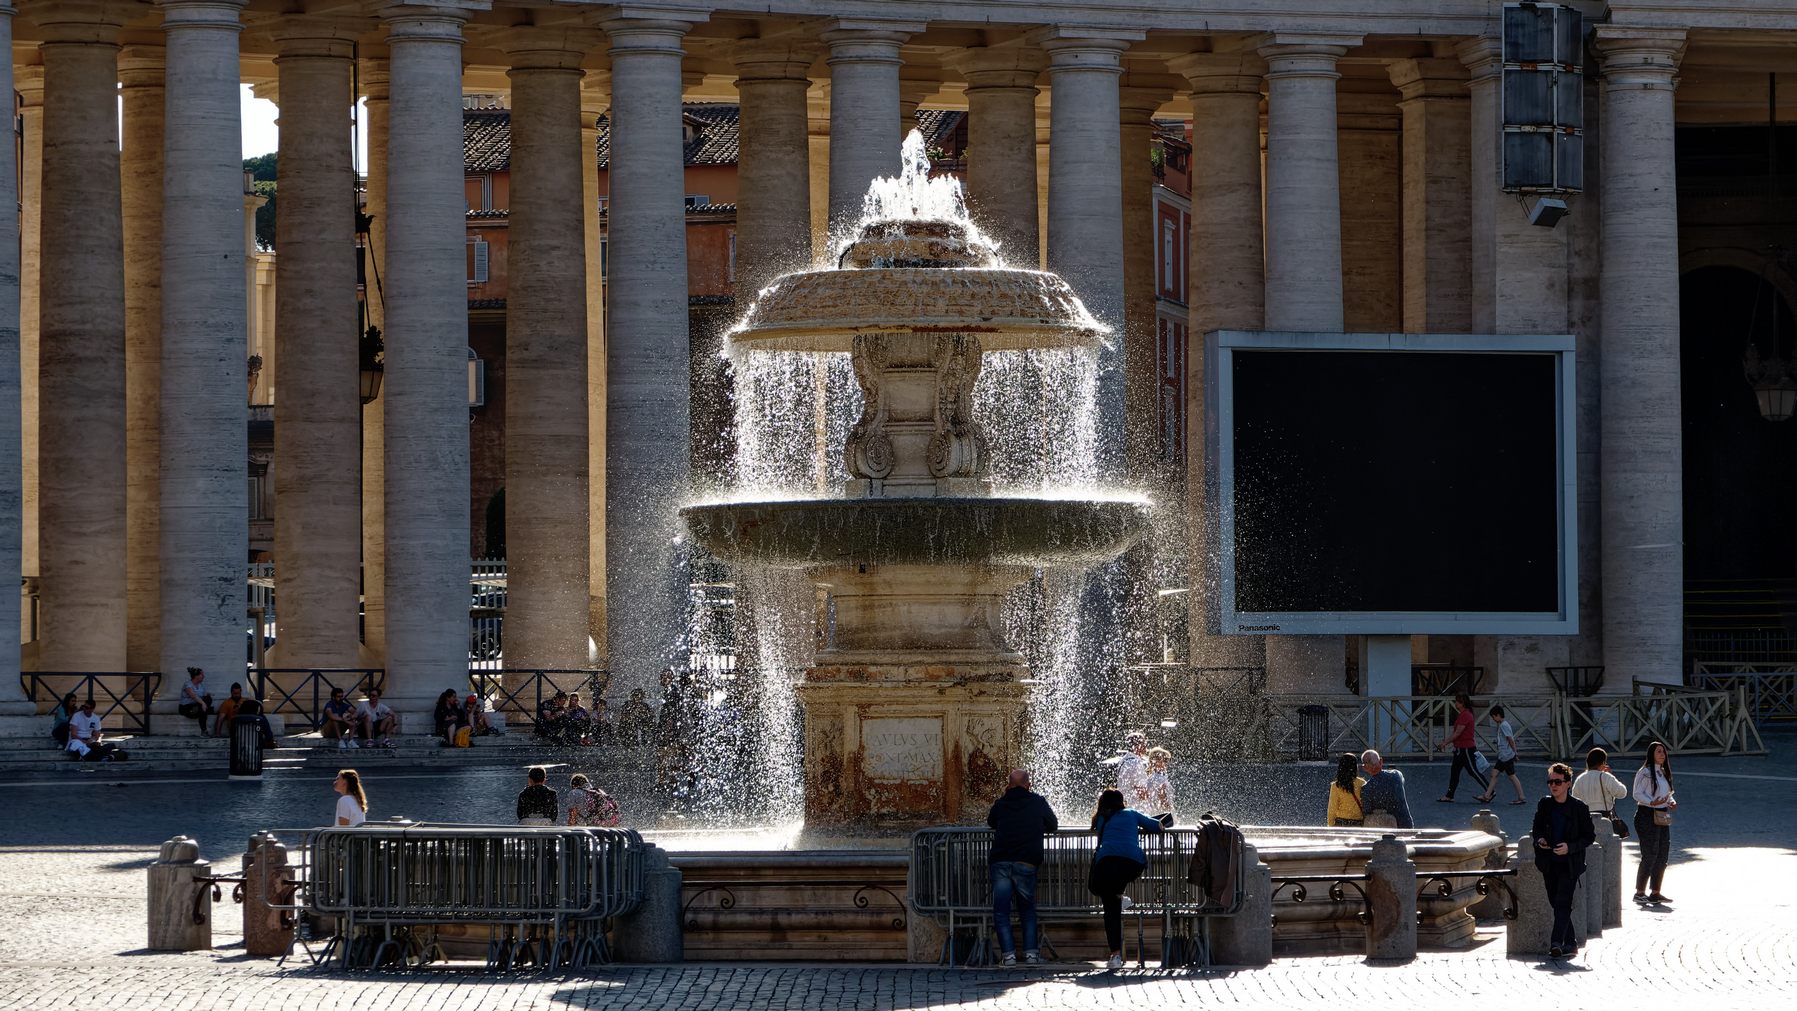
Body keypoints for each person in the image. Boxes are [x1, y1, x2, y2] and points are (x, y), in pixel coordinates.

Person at [987, 768, 1059, 967]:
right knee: (1027, 910)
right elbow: (1053, 825)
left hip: (1001, 861)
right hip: (1026, 862)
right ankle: (1031, 955)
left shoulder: (1001, 804)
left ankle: (1008, 956)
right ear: (1029, 784)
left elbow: (991, 821)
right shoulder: (1038, 802)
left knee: (1001, 911)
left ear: (1008, 785)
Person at [1089, 787, 1163, 969]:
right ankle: (1120, 897)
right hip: (1132, 864)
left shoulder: (1101, 818)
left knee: (1110, 912)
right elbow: (1157, 826)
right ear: (1122, 802)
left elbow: (1101, 835)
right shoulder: (1131, 813)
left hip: (1106, 865)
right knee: (1119, 880)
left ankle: (1115, 956)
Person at [1532, 762, 1595, 958]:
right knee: (1555, 902)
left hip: (1570, 864)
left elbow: (1589, 836)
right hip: (1548, 862)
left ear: (1568, 783)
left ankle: (1556, 942)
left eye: (1558, 781)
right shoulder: (1545, 804)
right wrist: (1539, 839)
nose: (1553, 785)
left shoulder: (1579, 808)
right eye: (1550, 782)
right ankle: (1571, 942)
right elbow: (1537, 828)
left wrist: (1570, 847)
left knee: (1562, 902)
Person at [1632, 741, 1677, 904]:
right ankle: (1639, 891)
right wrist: (1652, 802)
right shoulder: (1644, 772)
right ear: (1651, 754)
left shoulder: (1663, 772)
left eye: (1663, 752)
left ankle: (1656, 891)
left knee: (1662, 852)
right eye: (1658, 752)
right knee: (1650, 853)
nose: (1662, 755)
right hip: (1646, 815)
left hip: (1662, 815)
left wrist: (1671, 801)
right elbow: (1637, 793)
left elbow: (1667, 793)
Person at [1436, 693, 1489, 803]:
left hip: (1466, 748)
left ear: (1462, 703)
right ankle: (1449, 795)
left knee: (1473, 771)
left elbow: (1457, 733)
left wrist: (1445, 743)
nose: (1455, 704)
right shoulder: (1464, 714)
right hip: (1460, 748)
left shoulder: (1465, 715)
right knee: (1455, 772)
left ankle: (1490, 791)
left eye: (1457, 702)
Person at [1571, 748, 1630, 836]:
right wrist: (1611, 775)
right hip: (1604, 817)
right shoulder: (1606, 777)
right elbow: (1622, 793)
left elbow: (1574, 800)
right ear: (1603, 763)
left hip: (1585, 818)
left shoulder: (1580, 779)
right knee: (1606, 845)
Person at [1477, 705, 1526, 805]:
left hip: (1506, 756)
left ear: (1498, 715)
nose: (1493, 719)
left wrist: (1515, 753)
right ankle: (1487, 795)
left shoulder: (1504, 725)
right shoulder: (1503, 724)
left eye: (1493, 717)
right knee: (1495, 774)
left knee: (1510, 776)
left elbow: (1510, 740)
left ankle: (1521, 797)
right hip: (1504, 756)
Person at [1358, 750, 1414, 829]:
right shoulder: (1396, 775)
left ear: (1365, 768)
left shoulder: (1366, 788)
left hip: (1384, 827)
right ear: (1381, 761)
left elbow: (1367, 812)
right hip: (1405, 824)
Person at [1325, 752, 1365, 827]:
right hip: (1357, 824)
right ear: (1355, 767)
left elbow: (1332, 808)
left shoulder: (1336, 785)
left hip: (1340, 823)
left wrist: (1330, 825)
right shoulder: (1362, 783)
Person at [1116, 730, 1150, 810]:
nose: (1146, 747)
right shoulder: (1136, 763)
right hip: (1136, 810)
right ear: (1138, 745)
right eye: (1144, 744)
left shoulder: (1123, 760)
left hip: (1124, 807)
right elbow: (1142, 793)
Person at [1143, 748, 1177, 827]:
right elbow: (1162, 798)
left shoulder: (1158, 776)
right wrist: (1169, 811)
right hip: (1163, 815)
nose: (1163, 762)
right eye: (1160, 759)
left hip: (1159, 814)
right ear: (1153, 761)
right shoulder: (1157, 778)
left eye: (1165, 760)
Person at [178, 667, 214, 735]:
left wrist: (207, 695)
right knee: (203, 709)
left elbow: (203, 695)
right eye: (202, 674)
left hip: (197, 706)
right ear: (196, 676)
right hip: (186, 707)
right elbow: (193, 696)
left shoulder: (201, 685)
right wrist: (203, 703)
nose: (204, 676)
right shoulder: (188, 684)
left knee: (208, 699)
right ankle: (204, 731)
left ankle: (200, 709)